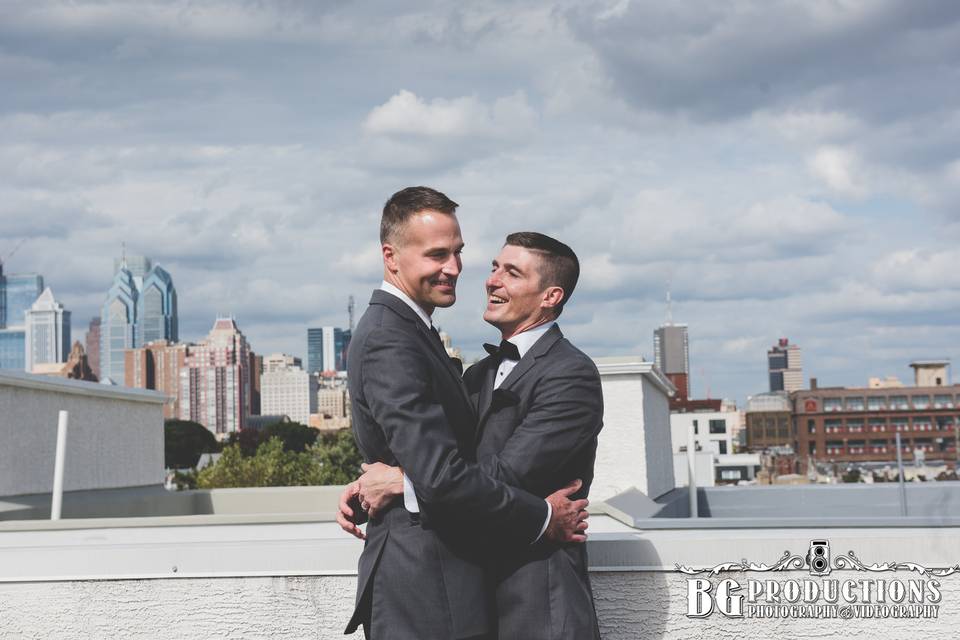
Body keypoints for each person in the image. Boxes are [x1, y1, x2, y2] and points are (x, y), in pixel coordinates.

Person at [338, 187, 589, 640]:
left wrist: (400, 481)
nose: (459, 270)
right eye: (437, 254)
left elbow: (477, 468)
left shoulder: (569, 373)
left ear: (550, 295)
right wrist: (543, 517)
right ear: (390, 257)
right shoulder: (393, 338)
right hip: (427, 585)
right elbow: (441, 469)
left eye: (458, 253)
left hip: (531, 601)